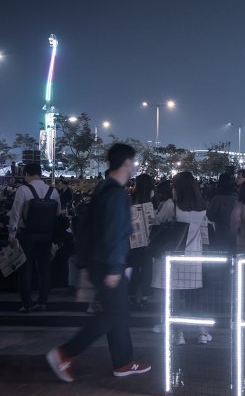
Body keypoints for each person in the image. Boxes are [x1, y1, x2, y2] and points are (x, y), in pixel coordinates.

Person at [46, 143, 150, 382]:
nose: (134, 166)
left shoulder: (103, 189)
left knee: (118, 312)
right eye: (133, 162)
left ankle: (123, 362)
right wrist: (115, 268)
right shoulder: (115, 194)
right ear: (126, 163)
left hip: (99, 261)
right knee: (114, 313)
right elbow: (114, 233)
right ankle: (65, 353)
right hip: (108, 264)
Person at [151, 172, 211, 345]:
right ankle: (201, 332)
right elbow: (204, 232)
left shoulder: (172, 205)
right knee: (194, 297)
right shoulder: (202, 206)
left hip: (175, 257)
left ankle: (179, 334)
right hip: (195, 256)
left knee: (175, 296)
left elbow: (157, 222)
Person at [9, 162, 61, 313]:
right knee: (45, 269)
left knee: (26, 268)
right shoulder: (53, 191)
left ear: (27, 174)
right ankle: (42, 301)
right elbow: (57, 214)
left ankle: (27, 304)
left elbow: (15, 214)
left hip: (28, 235)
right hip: (46, 235)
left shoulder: (23, 190)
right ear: (40, 173)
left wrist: (12, 234)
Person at [128, 173, 158, 310]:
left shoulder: (132, 198)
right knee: (147, 267)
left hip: (135, 238)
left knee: (134, 266)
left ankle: (132, 295)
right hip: (150, 238)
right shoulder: (154, 199)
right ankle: (145, 296)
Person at [206, 173, 238, 249]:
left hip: (221, 233)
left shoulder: (217, 199)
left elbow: (210, 217)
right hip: (237, 234)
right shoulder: (237, 197)